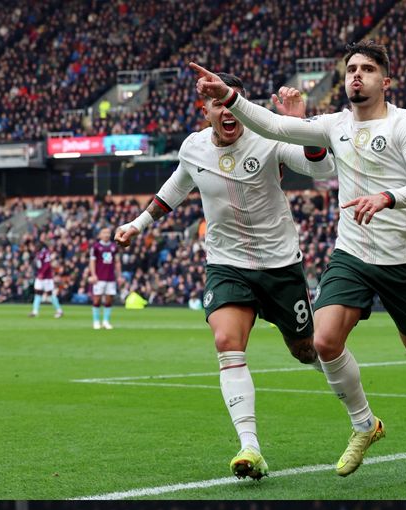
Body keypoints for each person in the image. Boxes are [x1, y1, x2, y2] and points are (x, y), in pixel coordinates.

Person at [191, 44, 406, 479]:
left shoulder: (404, 124)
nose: (358, 75)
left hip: (403, 258)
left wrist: (388, 197)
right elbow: (276, 124)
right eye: (352, 69)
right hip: (352, 253)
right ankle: (363, 425)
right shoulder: (333, 124)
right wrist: (228, 96)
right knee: (324, 341)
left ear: (384, 81)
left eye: (368, 70)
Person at [114, 73, 335, 481]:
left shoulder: (267, 135)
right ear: (207, 111)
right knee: (226, 342)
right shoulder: (193, 147)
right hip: (226, 263)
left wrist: (301, 125)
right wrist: (138, 223)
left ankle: (350, 393)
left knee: (306, 349)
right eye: (217, 105)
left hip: (279, 263)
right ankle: (250, 446)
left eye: (231, 103)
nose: (227, 111)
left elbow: (318, 168)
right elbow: (175, 188)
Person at [89, 226, 122, 330]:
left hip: (110, 278)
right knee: (97, 300)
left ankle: (106, 321)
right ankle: (96, 321)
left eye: (108, 233)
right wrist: (93, 274)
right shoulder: (95, 247)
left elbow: (117, 262)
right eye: (104, 233)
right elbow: (92, 262)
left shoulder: (114, 247)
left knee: (108, 300)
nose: (107, 235)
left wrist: (119, 276)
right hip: (99, 278)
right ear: (100, 235)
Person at [28, 235, 63, 319]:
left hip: (46, 277)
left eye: (36, 246)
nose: (35, 248)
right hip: (40, 276)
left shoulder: (45, 252)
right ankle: (35, 311)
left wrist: (42, 274)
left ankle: (59, 310)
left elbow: (47, 264)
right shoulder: (38, 253)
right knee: (37, 292)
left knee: (50, 294)